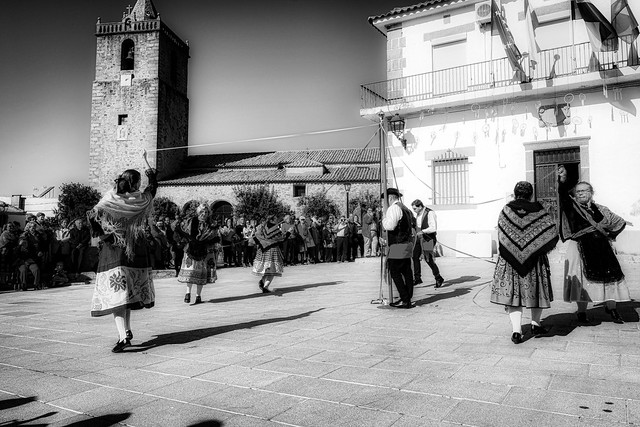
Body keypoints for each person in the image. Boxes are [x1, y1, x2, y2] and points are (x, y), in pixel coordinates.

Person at [87, 167, 157, 353]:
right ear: (135, 183)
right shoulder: (140, 199)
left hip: (115, 250)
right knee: (125, 295)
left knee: (117, 296)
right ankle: (126, 331)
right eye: (139, 181)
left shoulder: (111, 197)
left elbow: (92, 215)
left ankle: (123, 337)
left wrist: (105, 236)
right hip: (134, 249)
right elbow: (151, 192)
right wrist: (153, 177)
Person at [558, 166, 631, 324]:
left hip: (602, 248)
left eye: (585, 190)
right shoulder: (572, 208)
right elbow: (563, 195)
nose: (581, 193)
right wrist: (562, 181)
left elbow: (618, 222)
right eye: (578, 191)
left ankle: (612, 308)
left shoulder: (601, 209)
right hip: (579, 248)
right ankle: (582, 312)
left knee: (610, 277)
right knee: (581, 280)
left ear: (591, 192)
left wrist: (610, 236)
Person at [490, 181, 559, 344]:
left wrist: (514, 248)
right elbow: (551, 232)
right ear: (531, 194)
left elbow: (501, 232)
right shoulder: (539, 210)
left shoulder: (506, 210)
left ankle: (516, 331)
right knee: (536, 290)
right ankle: (535, 324)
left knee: (514, 295)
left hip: (509, 261)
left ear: (515, 194)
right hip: (535, 260)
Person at [176, 204, 221, 304]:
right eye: (202, 212)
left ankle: (198, 296)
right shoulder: (191, 221)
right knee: (190, 271)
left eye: (206, 212)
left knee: (201, 273)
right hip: (191, 249)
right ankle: (188, 293)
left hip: (204, 250)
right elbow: (182, 230)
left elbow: (214, 236)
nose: (204, 214)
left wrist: (212, 241)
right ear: (198, 212)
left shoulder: (211, 224)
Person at [381, 188, 415, 308]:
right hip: (405, 244)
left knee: (395, 272)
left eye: (384, 201)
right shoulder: (405, 208)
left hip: (397, 246)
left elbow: (391, 226)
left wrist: (384, 219)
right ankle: (408, 297)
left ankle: (405, 299)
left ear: (390, 198)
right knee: (407, 272)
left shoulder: (393, 208)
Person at [411, 199, 444, 287]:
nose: (414, 211)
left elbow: (433, 227)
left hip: (428, 238)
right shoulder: (418, 214)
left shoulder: (430, 213)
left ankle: (438, 277)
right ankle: (417, 278)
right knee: (414, 256)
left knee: (428, 259)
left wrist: (423, 231)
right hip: (419, 238)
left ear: (420, 206)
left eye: (415, 209)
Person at [252, 213, 286, 293]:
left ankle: (263, 282)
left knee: (267, 269)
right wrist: (288, 233)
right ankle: (265, 286)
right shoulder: (275, 229)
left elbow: (255, 237)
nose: (277, 220)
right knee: (273, 270)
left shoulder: (261, 227)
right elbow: (281, 239)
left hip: (263, 251)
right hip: (273, 251)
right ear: (272, 220)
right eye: (275, 219)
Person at [17, 222, 44, 290]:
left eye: (34, 227)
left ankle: (36, 284)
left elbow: (40, 246)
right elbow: (18, 249)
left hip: (32, 259)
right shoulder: (24, 235)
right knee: (23, 270)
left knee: (36, 269)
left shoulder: (38, 236)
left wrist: (40, 252)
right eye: (31, 227)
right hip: (23, 260)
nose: (33, 228)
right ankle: (23, 285)